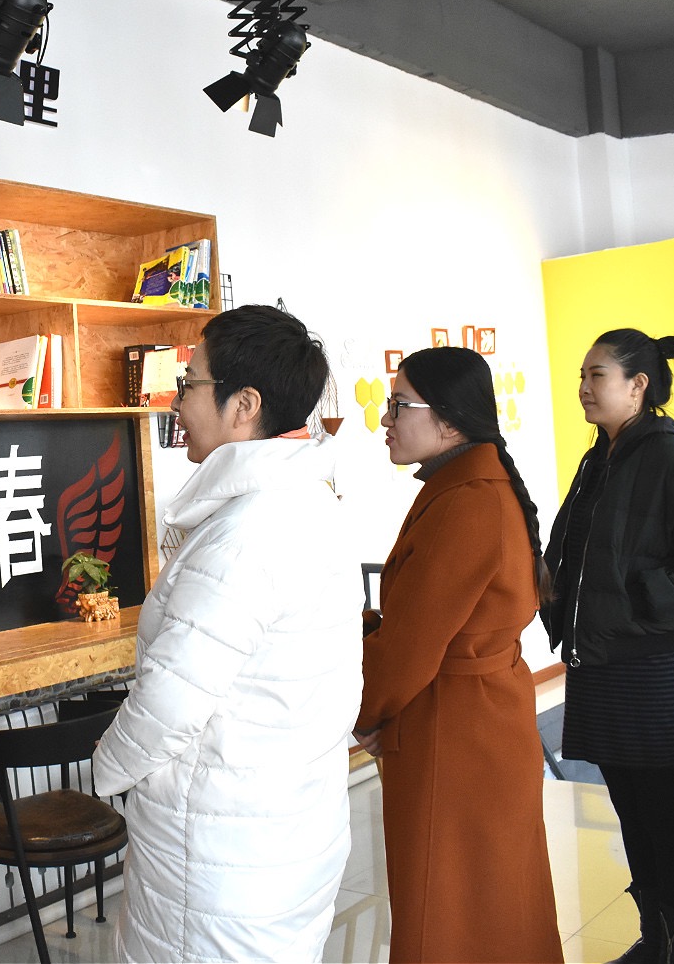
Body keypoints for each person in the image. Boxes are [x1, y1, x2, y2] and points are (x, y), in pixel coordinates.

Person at [91, 305, 362, 963]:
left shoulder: (245, 534)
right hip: (283, 832)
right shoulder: (306, 502)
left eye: (189, 384)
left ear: (244, 405)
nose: (176, 401)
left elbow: (169, 704)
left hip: (220, 852)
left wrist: (105, 771)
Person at [353, 347, 563, 963]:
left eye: (399, 405)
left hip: (454, 729)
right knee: (491, 902)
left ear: (447, 420)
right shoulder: (470, 486)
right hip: (476, 719)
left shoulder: (467, 500)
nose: (385, 419)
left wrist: (363, 711)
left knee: (446, 912)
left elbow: (410, 649)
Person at [542, 329, 674, 964]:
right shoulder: (600, 458)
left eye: (596, 375)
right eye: (582, 375)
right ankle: (654, 940)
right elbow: (577, 547)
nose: (583, 387)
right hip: (601, 663)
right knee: (630, 810)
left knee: (662, 814)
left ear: (638, 386)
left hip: (651, 670)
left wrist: (637, 602)